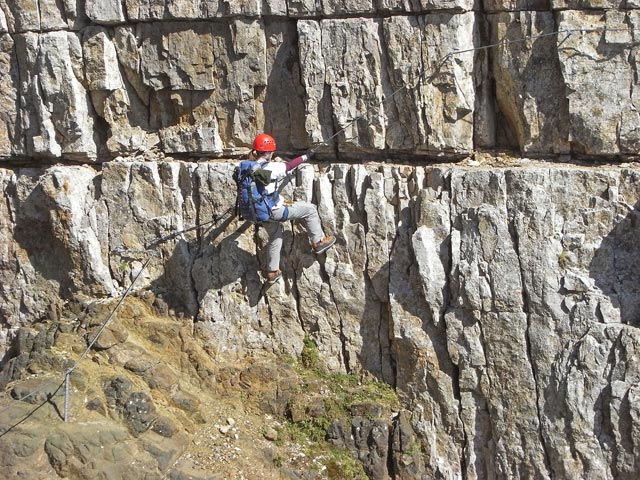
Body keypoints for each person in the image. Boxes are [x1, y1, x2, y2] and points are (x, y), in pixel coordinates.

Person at [249, 133, 335, 284]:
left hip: (259, 211)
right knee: (309, 209)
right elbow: (290, 165)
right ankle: (318, 241)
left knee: (275, 237)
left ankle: (272, 271)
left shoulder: (247, 167)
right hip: (275, 210)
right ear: (269, 152)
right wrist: (306, 156)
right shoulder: (273, 167)